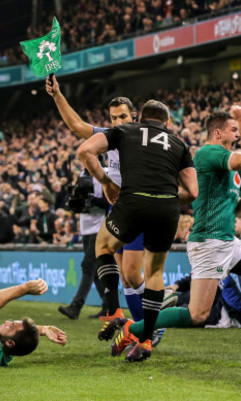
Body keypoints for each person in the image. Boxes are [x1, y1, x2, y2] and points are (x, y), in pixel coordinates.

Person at [100, 107, 241, 356]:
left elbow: (237, 212)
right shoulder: (209, 153)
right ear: (218, 133)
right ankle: (134, 329)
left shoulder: (226, 164)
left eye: (238, 130)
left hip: (227, 241)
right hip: (209, 243)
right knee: (197, 315)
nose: (237, 134)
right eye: (233, 130)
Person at [77, 99, 198, 362]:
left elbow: (85, 150)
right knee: (154, 273)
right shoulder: (178, 143)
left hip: (132, 202)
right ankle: (146, 341)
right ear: (167, 123)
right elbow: (192, 191)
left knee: (103, 246)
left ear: (139, 118)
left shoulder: (125, 132)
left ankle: (113, 311)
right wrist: (164, 198)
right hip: (167, 207)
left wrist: (105, 182)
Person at [46, 75, 147, 322]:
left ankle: (149, 322)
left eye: (123, 116)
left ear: (133, 116)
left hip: (135, 211)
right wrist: (57, 95)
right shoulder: (110, 137)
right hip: (117, 214)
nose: (118, 122)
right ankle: (135, 326)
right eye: (113, 118)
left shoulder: (141, 138)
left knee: (134, 275)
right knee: (125, 276)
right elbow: (77, 126)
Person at [58, 169, 110, 319]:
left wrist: (90, 198)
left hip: (100, 226)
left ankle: (76, 306)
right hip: (86, 227)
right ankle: (108, 306)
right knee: (94, 269)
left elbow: (109, 203)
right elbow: (78, 202)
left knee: (88, 264)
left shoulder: (105, 173)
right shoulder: (82, 174)